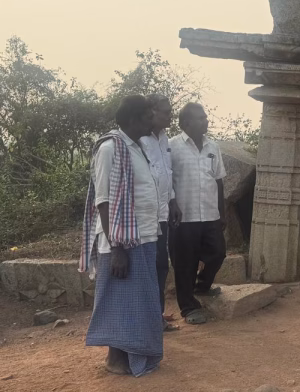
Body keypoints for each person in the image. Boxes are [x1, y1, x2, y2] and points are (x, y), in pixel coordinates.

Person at [79, 95, 163, 376]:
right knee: (121, 300)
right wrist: (117, 247)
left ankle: (134, 356)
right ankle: (117, 360)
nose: (154, 120)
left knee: (138, 300)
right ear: (133, 119)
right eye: (149, 115)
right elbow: (103, 200)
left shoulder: (138, 147)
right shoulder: (109, 148)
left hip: (144, 236)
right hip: (122, 241)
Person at [169, 103, 227, 325]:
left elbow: (219, 180)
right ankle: (188, 307)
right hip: (184, 216)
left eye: (205, 117)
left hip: (210, 213)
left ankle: (202, 286)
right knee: (185, 263)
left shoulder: (213, 146)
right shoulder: (172, 146)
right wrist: (171, 203)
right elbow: (165, 180)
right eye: (200, 118)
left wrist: (222, 212)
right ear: (185, 124)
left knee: (218, 253)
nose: (206, 121)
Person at [140, 94, 182, 330]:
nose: (170, 115)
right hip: (146, 216)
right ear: (151, 112)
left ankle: (157, 315)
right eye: (165, 112)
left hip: (163, 213)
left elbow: (167, 173)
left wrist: (173, 201)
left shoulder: (164, 139)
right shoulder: (139, 140)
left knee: (161, 265)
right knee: (151, 265)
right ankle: (150, 318)